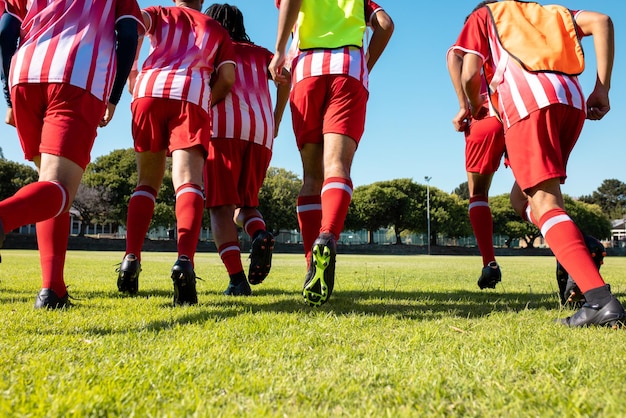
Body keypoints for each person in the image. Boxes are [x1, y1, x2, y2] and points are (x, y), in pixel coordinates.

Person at [451, 1, 625, 327]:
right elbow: (602, 21)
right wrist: (602, 87)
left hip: (529, 102)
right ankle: (583, 245)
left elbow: (469, 71)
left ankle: (600, 302)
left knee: (545, 203)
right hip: (571, 102)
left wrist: (474, 106)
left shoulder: (483, 15)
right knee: (523, 198)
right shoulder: (553, 12)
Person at [0, 0, 143, 309]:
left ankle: (53, 290)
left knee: (48, 187)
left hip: (24, 74)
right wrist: (115, 96)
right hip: (77, 72)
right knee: (59, 187)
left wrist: (7, 95)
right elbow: (128, 35)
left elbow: (6, 30)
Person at [269, 0, 394, 307]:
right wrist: (364, 62)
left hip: (307, 70)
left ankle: (313, 261)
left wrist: (278, 50)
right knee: (337, 164)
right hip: (349, 67)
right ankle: (328, 236)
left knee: (312, 176)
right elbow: (386, 25)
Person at [117, 0, 236, 306]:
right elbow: (227, 78)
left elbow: (132, 27)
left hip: (148, 91)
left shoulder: (159, 13)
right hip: (191, 95)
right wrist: (208, 100)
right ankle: (184, 261)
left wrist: (132, 74)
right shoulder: (217, 30)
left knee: (146, 182)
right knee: (187, 181)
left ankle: (131, 258)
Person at [203, 4, 290, 296]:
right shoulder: (262, 53)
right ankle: (258, 232)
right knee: (246, 204)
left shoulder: (214, 47)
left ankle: (237, 280)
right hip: (262, 132)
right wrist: (277, 118)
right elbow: (285, 75)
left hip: (224, 130)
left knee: (220, 207)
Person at [446, 0, 505, 290]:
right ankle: (574, 252)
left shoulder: (474, 36)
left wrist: (465, 106)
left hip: (487, 117)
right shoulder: (515, 36)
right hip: (524, 113)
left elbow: (453, 56)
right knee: (540, 195)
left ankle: (489, 263)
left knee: (478, 193)